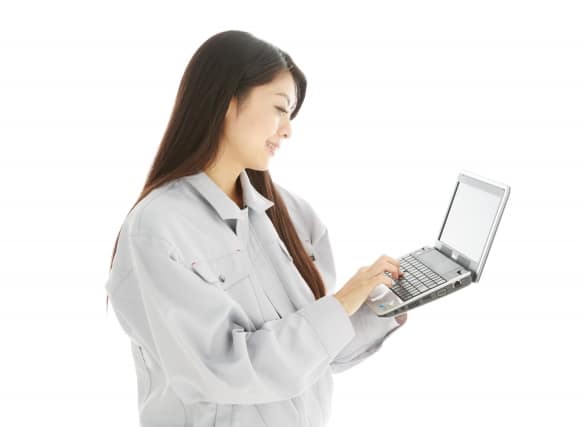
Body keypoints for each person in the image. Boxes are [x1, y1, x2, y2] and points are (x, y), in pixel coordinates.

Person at [105, 29, 408, 427]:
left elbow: (315, 354)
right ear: (227, 102)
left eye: (291, 115)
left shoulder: (293, 214)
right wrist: (342, 301)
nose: (288, 129)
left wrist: (385, 303)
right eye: (280, 108)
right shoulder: (157, 229)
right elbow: (226, 369)